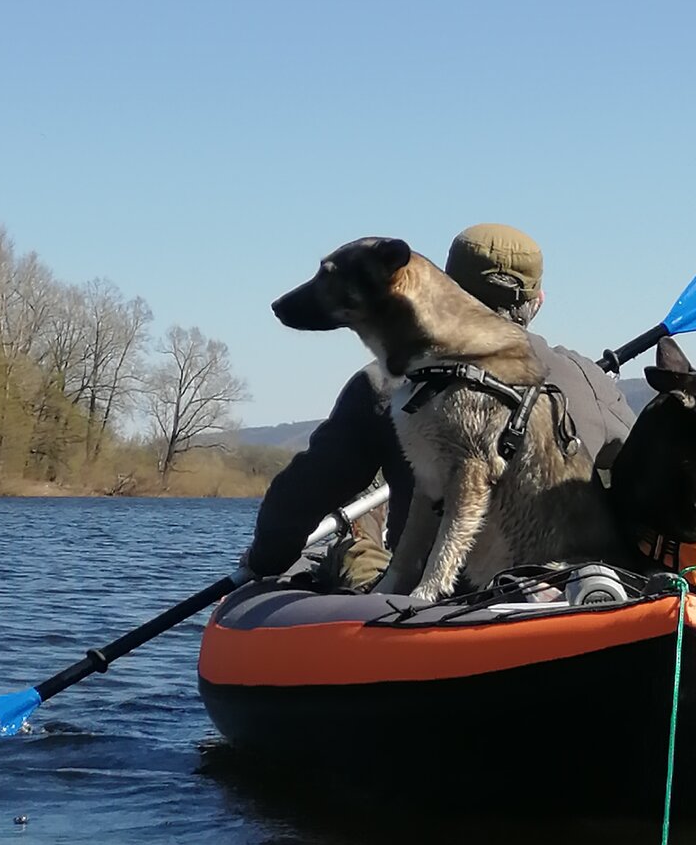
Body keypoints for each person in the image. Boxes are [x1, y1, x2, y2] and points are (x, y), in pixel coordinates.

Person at [243, 223, 636, 584]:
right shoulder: (588, 377)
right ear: (538, 301)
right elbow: (640, 483)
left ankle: (358, 543)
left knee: (347, 553)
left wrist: (261, 566)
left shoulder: (385, 383)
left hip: (435, 602)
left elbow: (295, 504)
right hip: (569, 588)